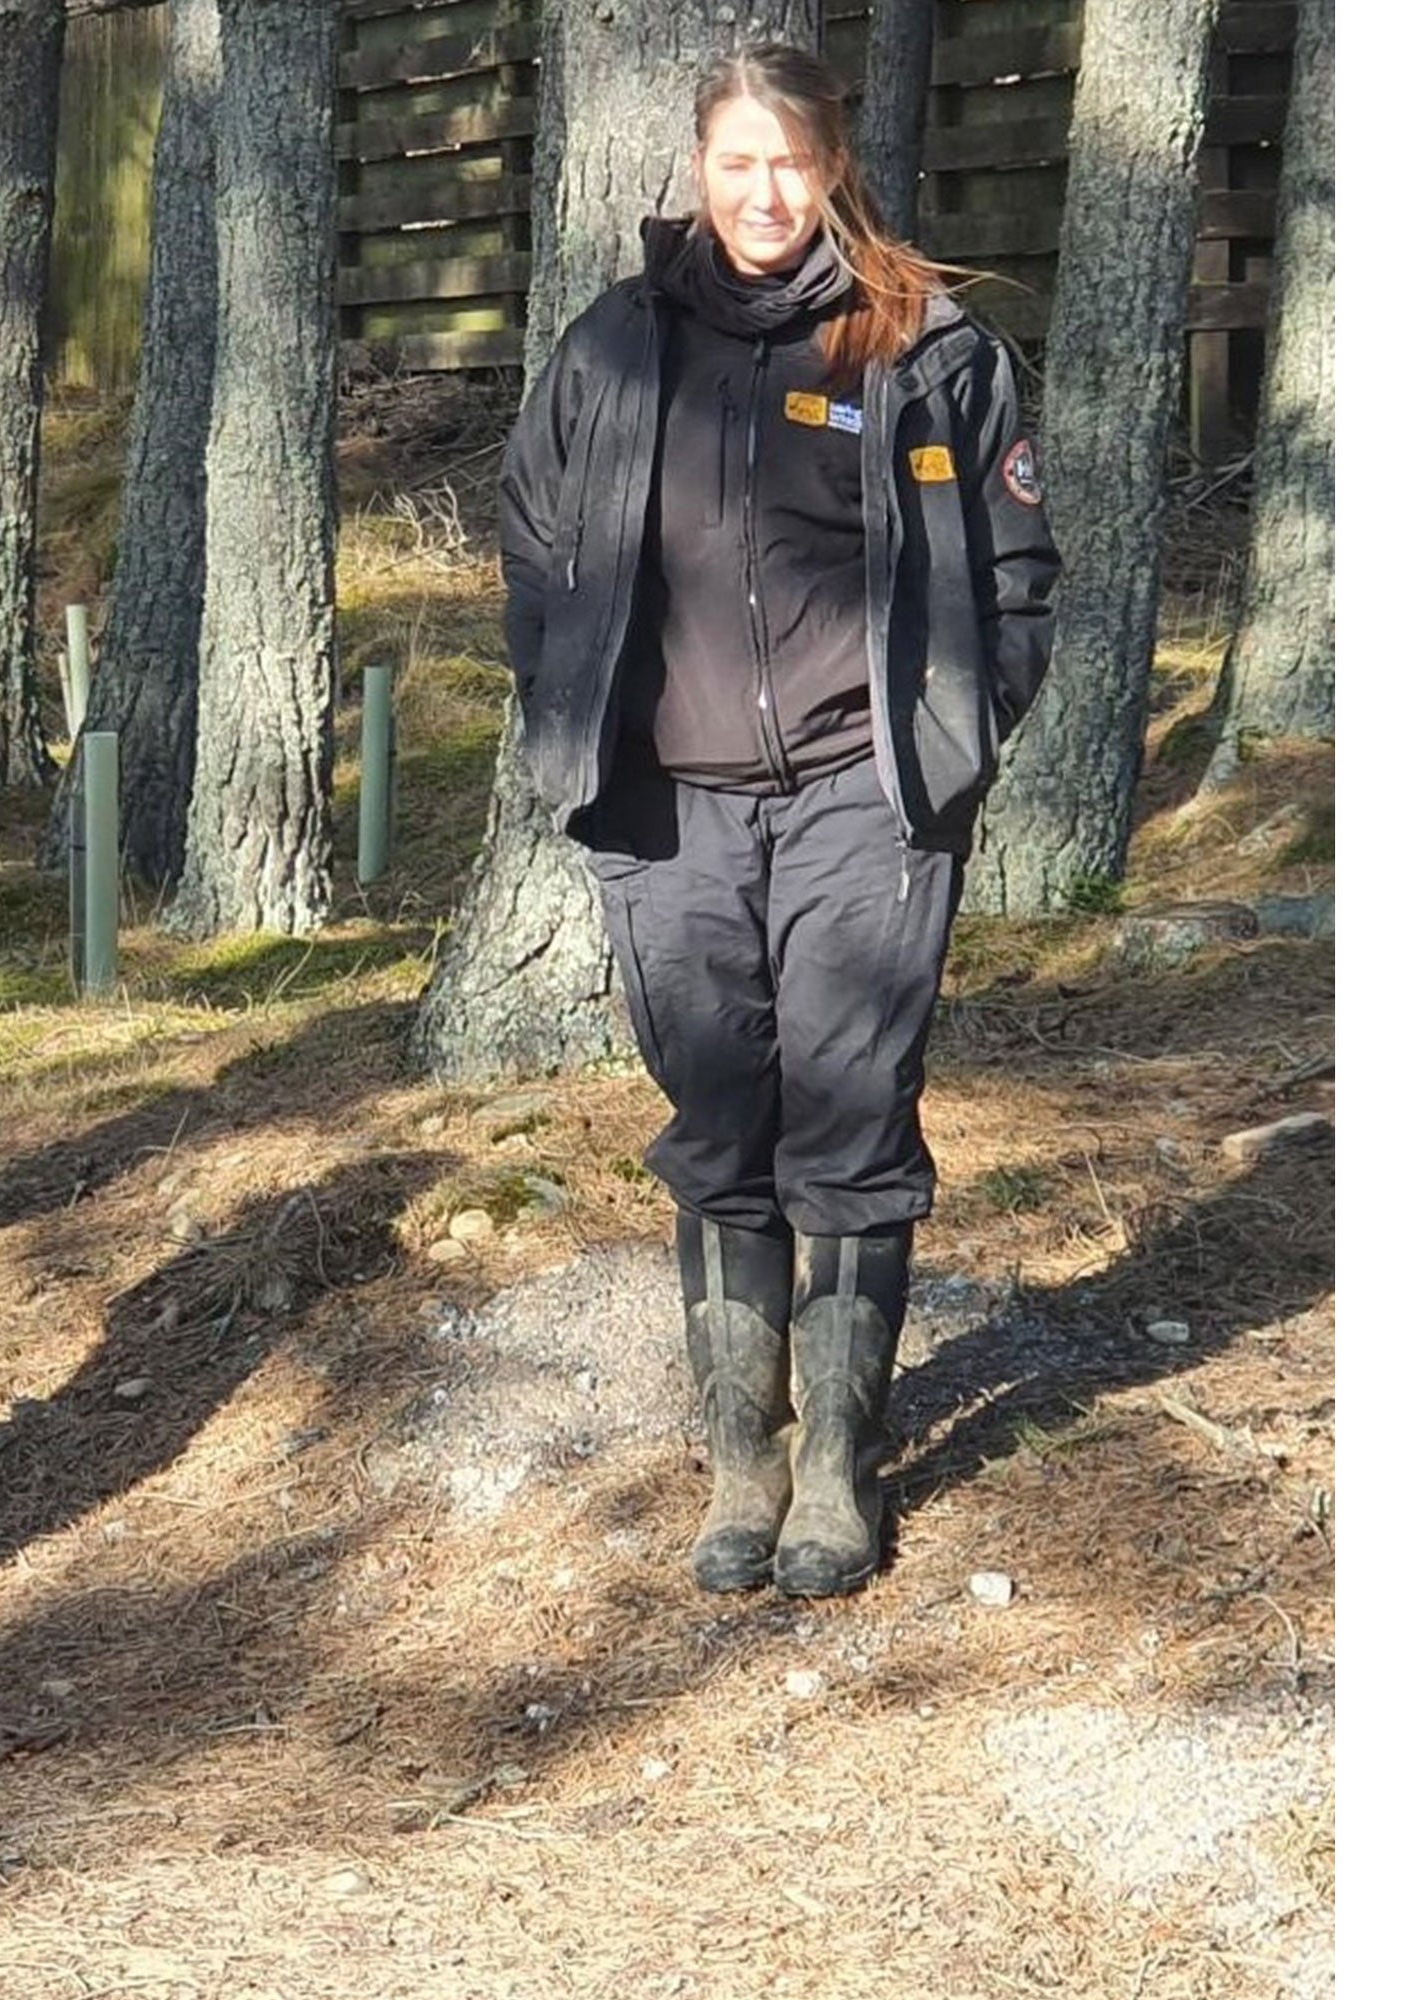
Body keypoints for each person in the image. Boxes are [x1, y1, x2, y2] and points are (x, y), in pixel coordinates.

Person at [499, 45, 1058, 1598]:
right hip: (665, 805)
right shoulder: (615, 346)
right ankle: (740, 1458)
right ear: (697, 169)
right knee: (714, 1113)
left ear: (832, 168)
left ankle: (835, 1468)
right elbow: (538, 538)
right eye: (735, 163)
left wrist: (960, 730)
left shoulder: (926, 349)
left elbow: (1016, 571)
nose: (762, 194)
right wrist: (565, 702)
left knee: (852, 1113)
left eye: (789, 163)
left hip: (858, 804)